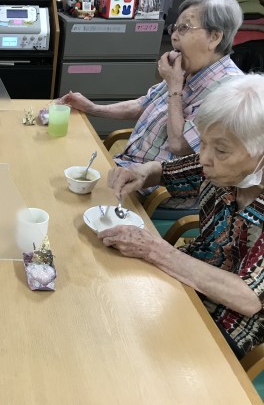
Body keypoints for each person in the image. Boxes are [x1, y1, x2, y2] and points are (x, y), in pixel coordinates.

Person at [100, 74, 264, 359]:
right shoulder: (221, 167)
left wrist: (156, 250)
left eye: (220, 150)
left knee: (135, 350)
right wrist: (140, 173)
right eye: (203, 143)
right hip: (189, 274)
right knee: (109, 303)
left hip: (229, 320)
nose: (205, 158)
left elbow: (247, 299)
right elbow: (165, 171)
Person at [59, 0, 244, 202]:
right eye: (175, 28)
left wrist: (174, 86)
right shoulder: (187, 69)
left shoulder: (231, 92)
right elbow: (143, 104)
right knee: (60, 166)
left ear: (214, 37)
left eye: (184, 28)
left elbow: (179, 144)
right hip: (127, 167)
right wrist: (93, 108)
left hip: (153, 190)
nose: (174, 37)